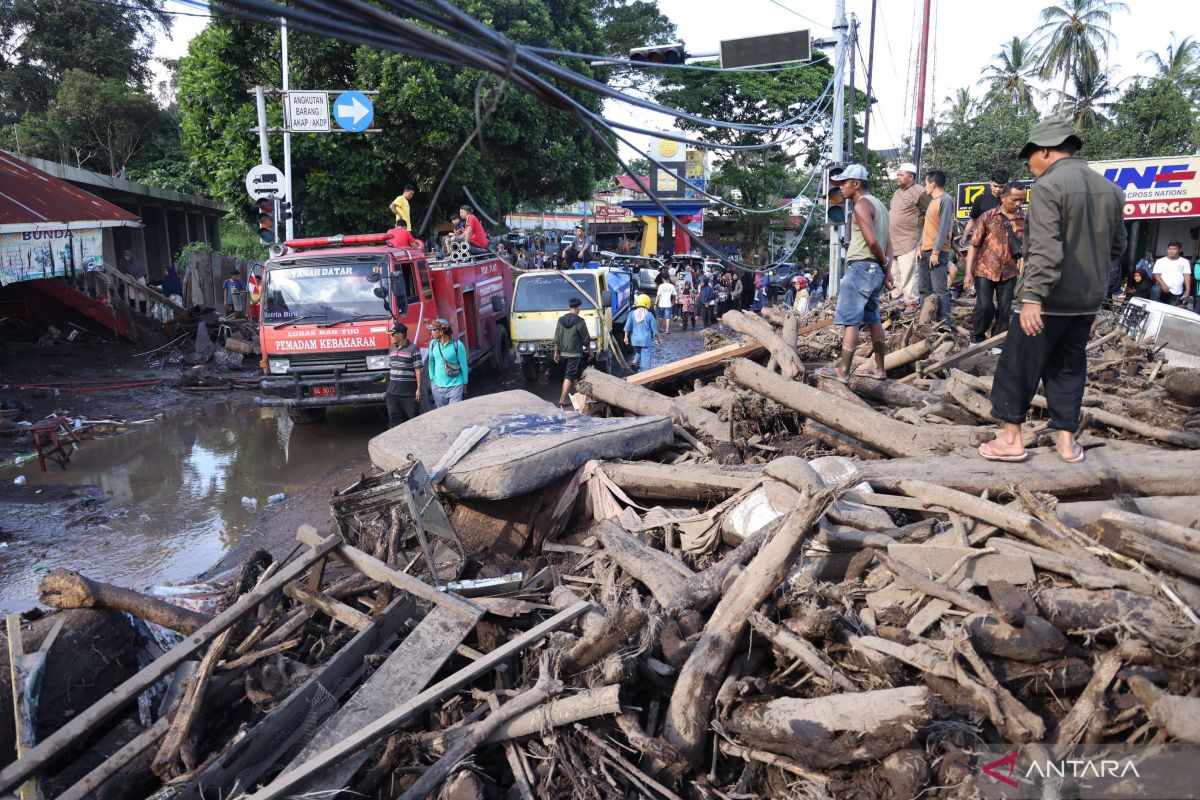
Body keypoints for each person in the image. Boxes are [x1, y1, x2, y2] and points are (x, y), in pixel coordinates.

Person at [979, 118, 1126, 464]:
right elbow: (1116, 247)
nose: (1030, 165)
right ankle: (1066, 442)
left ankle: (1012, 440)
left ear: (1045, 151)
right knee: (1068, 367)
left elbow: (1044, 249)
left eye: (1030, 157)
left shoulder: (1048, 186)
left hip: (1048, 299)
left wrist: (1031, 297)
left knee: (1018, 365)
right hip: (1087, 299)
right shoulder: (1111, 190)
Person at [816, 164, 893, 383]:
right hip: (875, 270)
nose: (840, 188)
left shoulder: (861, 206)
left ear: (856, 184)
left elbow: (871, 240)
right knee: (873, 319)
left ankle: (843, 372)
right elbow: (889, 241)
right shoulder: (880, 206)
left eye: (844, 183)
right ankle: (880, 369)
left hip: (861, 267)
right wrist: (886, 269)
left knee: (852, 321)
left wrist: (883, 261)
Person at [965, 182, 1026, 349]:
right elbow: (974, 245)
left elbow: (1027, 246)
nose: (1019, 204)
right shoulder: (987, 217)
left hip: (1009, 272)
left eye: (1022, 200)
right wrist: (968, 272)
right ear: (1003, 197)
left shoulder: (1024, 219)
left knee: (1004, 310)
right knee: (985, 306)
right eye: (1015, 200)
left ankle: (997, 344)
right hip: (985, 270)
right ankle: (976, 338)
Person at [918, 169, 955, 332]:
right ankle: (925, 321)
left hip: (936, 253)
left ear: (932, 184)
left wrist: (936, 252)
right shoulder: (932, 201)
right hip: (926, 251)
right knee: (924, 289)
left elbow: (944, 227)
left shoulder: (945, 200)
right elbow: (928, 227)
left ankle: (945, 323)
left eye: (926, 183)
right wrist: (920, 245)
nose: (925, 186)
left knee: (940, 290)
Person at [888, 162, 925, 310]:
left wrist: (923, 241)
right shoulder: (897, 193)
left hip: (910, 240)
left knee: (909, 273)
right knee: (895, 273)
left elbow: (932, 212)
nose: (897, 177)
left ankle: (912, 302)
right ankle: (899, 297)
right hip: (893, 241)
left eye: (901, 175)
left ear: (911, 177)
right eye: (897, 174)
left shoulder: (920, 191)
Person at [553, 297, 589, 408]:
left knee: (573, 374)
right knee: (570, 375)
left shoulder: (560, 320)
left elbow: (557, 338)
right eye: (579, 308)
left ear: (569, 307)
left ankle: (580, 395)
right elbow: (585, 338)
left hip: (564, 353)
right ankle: (562, 400)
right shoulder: (580, 321)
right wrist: (590, 350)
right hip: (575, 353)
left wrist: (556, 352)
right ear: (578, 308)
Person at [385, 320, 422, 427]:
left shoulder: (413, 349)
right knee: (393, 422)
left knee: (413, 422)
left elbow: (418, 370)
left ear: (400, 335)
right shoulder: (391, 349)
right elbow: (392, 368)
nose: (390, 337)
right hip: (392, 394)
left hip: (409, 394)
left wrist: (418, 390)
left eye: (392, 335)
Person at [426, 318, 468, 407]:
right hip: (437, 388)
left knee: (454, 415)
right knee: (443, 416)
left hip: (455, 386)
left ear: (441, 332)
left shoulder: (458, 345)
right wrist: (432, 380)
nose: (431, 332)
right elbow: (431, 363)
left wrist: (464, 383)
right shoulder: (433, 344)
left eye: (434, 330)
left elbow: (463, 365)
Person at [625, 293, 660, 371]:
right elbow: (655, 330)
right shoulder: (649, 315)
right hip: (646, 341)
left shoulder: (631, 314)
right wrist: (658, 339)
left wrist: (625, 337)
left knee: (638, 352)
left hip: (634, 340)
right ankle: (644, 374)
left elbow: (627, 327)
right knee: (646, 358)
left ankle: (635, 361)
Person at [118, 249, 148, 315]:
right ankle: (135, 312)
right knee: (133, 296)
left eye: (128, 255)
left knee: (142, 295)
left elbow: (141, 270)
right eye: (125, 256)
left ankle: (143, 311)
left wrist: (136, 277)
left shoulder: (135, 261)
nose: (126, 257)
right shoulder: (123, 262)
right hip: (130, 280)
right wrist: (129, 275)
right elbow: (122, 272)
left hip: (140, 278)